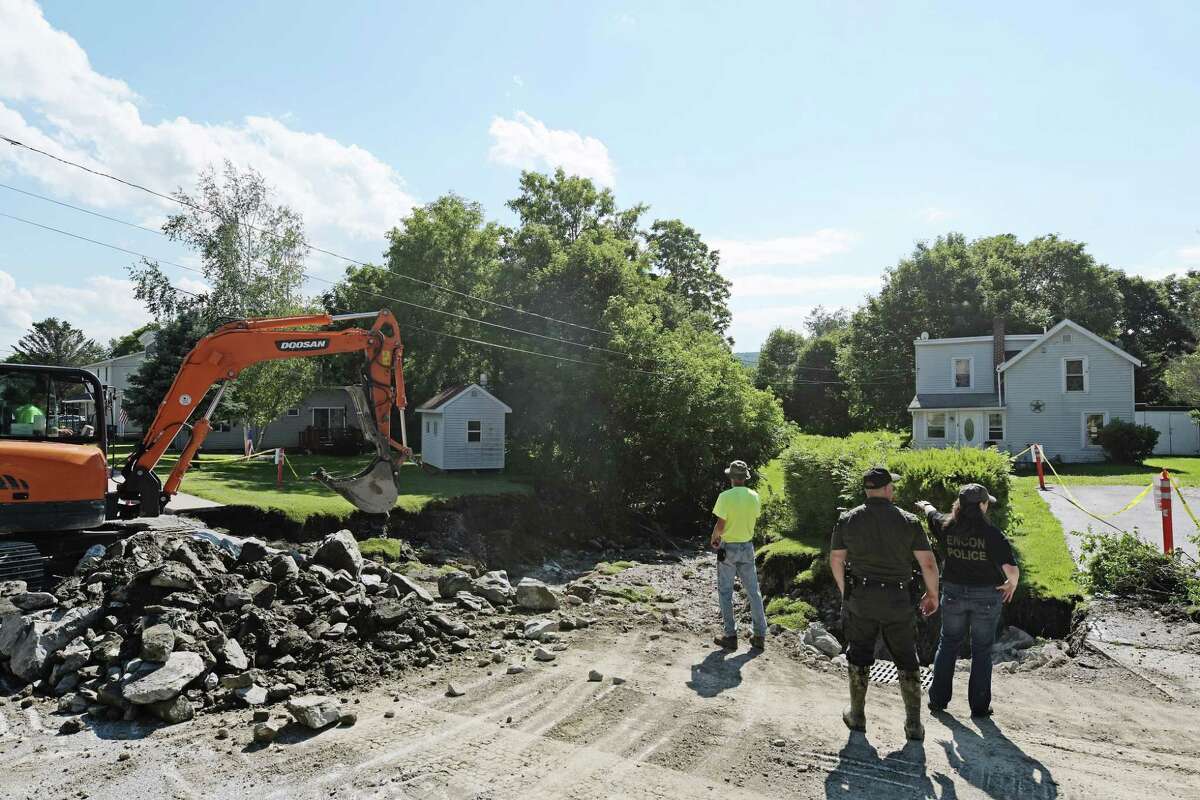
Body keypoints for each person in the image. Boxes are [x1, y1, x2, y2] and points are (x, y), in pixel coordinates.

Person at [830, 467, 940, 740]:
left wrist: (846, 592)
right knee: (906, 658)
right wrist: (932, 594)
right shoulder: (909, 521)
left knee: (859, 654)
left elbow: (836, 559)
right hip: (898, 601)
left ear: (866, 490)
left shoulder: (848, 520)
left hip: (862, 600)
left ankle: (857, 715)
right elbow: (927, 563)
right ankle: (913, 724)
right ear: (888, 489)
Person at [916, 484, 1020, 718]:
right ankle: (979, 707)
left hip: (953, 595)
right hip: (986, 598)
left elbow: (931, 513)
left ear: (959, 506)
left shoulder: (945, 526)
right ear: (982, 506)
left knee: (948, 643)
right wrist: (1011, 584)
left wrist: (925, 505)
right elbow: (1012, 571)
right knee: (982, 650)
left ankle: (938, 700)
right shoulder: (993, 535)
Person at [710, 459, 769, 651]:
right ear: (745, 478)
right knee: (753, 591)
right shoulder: (754, 496)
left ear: (731, 478)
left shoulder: (725, 496)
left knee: (726, 592)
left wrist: (714, 538)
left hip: (728, 547)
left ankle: (730, 635)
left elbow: (720, 525)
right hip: (747, 546)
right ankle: (759, 635)